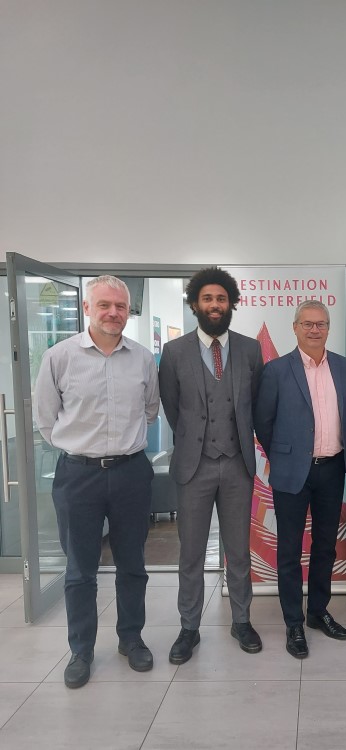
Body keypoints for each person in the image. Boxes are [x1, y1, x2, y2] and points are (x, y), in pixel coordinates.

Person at [34, 275, 159, 689]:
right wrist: (82, 449)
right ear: (87, 308)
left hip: (131, 473)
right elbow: (46, 422)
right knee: (80, 570)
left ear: (128, 311)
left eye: (121, 306)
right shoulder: (59, 357)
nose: (113, 313)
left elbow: (151, 409)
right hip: (78, 476)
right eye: (104, 305)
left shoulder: (142, 358)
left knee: (132, 564)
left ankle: (131, 638)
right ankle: (81, 650)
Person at [159, 267, 263, 662]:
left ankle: (241, 620)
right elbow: (173, 409)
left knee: (238, 551)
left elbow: (256, 405)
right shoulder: (175, 352)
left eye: (221, 299)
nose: (215, 305)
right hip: (193, 468)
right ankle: (189, 628)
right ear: (194, 304)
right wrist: (195, 444)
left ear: (231, 303)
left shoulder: (250, 350)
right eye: (208, 299)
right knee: (191, 553)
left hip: (238, 466)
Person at [254, 300, 346, 659]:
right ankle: (293, 621)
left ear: (329, 328)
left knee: (326, 546)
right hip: (291, 471)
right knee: (289, 550)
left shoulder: (344, 368)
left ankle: (317, 612)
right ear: (295, 328)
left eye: (321, 324)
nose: (315, 330)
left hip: (332, 469)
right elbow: (263, 422)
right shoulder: (277, 370)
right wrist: (285, 456)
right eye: (308, 324)